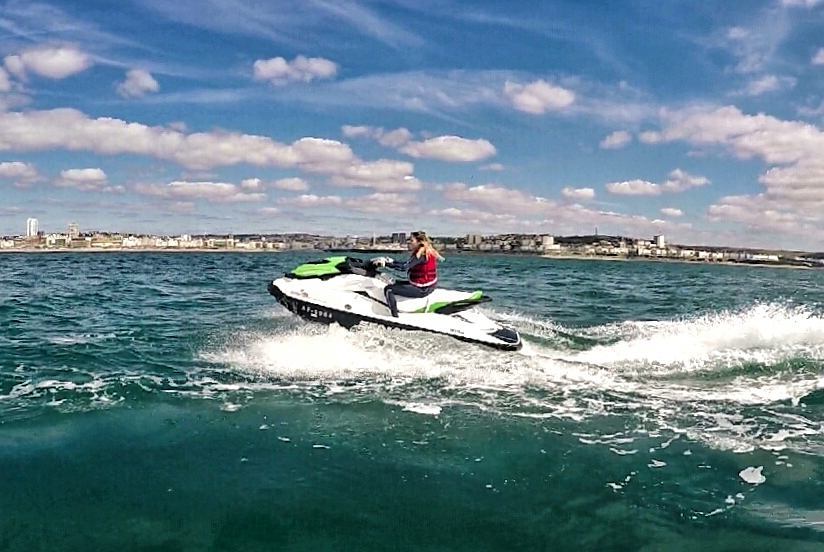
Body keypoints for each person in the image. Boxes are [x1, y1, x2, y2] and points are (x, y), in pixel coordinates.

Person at [378, 231, 444, 317]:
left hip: (423, 289)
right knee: (393, 282)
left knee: (388, 289)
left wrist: (386, 264)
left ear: (419, 242)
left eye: (412, 240)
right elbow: (406, 264)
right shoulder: (424, 252)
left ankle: (394, 317)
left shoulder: (421, 255)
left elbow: (404, 268)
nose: (409, 242)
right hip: (426, 286)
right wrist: (392, 262)